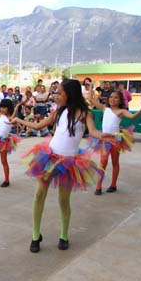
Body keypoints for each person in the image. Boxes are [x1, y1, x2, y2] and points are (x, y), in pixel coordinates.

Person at [13, 79, 115, 252]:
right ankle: (35, 235)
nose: (56, 95)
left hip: (69, 162)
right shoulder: (58, 112)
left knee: (63, 200)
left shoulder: (85, 113)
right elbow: (38, 125)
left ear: (70, 94)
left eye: (60, 93)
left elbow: (94, 131)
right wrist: (18, 120)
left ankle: (64, 235)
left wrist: (102, 135)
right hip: (50, 157)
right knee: (39, 194)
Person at [87, 88, 141, 195]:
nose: (113, 99)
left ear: (120, 100)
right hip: (104, 138)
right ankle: (98, 186)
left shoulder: (121, 111)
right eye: (111, 97)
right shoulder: (104, 108)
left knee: (115, 161)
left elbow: (132, 116)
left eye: (116, 97)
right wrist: (91, 86)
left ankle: (113, 184)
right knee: (103, 162)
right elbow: (90, 99)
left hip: (115, 139)